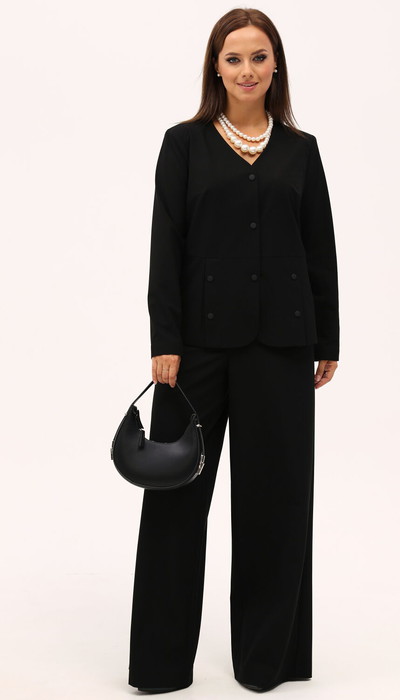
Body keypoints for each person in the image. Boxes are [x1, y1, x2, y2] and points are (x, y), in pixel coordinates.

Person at [128, 7, 340, 694]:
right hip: (195, 350)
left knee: (277, 506)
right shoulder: (183, 144)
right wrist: (165, 341)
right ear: (215, 68)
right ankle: (160, 666)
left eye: (258, 57)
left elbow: (319, 249)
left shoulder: (301, 150)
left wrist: (327, 338)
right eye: (233, 58)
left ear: (276, 66)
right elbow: (166, 245)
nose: (246, 70)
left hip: (283, 347)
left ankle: (267, 661)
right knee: (175, 502)